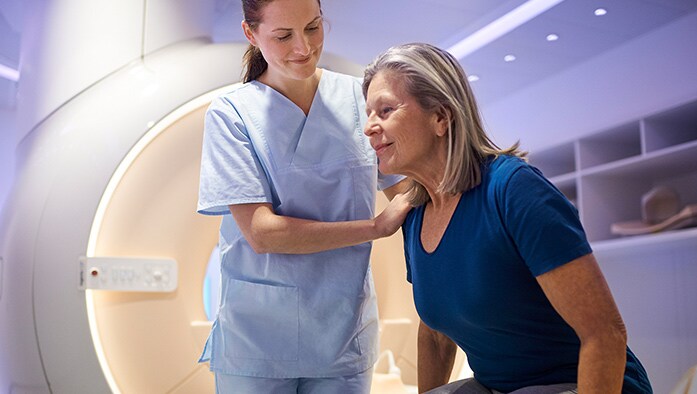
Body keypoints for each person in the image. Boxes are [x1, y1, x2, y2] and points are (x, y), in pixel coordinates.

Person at [362, 42, 652, 394]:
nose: (369, 127)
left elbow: (605, 334)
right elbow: (436, 336)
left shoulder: (513, 189)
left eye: (386, 110)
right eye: (368, 114)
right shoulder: (416, 217)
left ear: (440, 117)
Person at [196, 0, 410, 392]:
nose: (303, 48)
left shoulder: (360, 102)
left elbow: (409, 191)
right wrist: (376, 227)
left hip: (343, 334)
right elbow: (262, 233)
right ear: (251, 33)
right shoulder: (231, 114)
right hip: (257, 340)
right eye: (283, 36)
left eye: (313, 28)